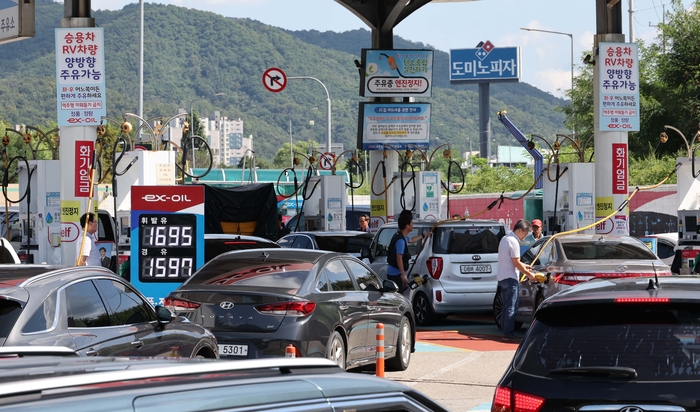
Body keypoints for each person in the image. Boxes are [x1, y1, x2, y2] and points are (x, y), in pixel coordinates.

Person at [497, 219, 537, 341]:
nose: (524, 237)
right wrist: (530, 274)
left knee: (506, 305)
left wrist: (524, 267)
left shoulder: (505, 239)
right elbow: (516, 263)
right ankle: (508, 333)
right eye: (524, 233)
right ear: (519, 230)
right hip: (510, 277)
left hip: (502, 277)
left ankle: (505, 331)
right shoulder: (514, 242)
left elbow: (514, 262)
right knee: (511, 306)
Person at [387, 210, 431, 293]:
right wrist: (403, 275)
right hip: (395, 274)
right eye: (411, 223)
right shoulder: (400, 240)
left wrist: (424, 235)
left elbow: (411, 240)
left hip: (394, 272)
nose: (413, 225)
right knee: (398, 296)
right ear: (407, 226)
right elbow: (399, 258)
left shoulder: (401, 236)